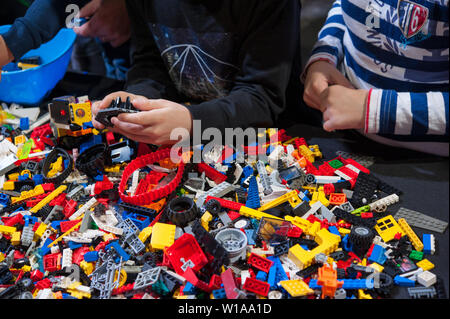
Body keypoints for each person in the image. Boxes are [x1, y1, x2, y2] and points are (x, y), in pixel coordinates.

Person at [0, 0, 302, 146]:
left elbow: (262, 99)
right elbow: (151, 61)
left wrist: (191, 122)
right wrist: (137, 96)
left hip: (258, 135)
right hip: (183, 129)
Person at [302, 0, 449, 156]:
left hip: (425, 158)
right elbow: (353, 8)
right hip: (343, 133)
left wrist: (372, 110)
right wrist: (325, 54)